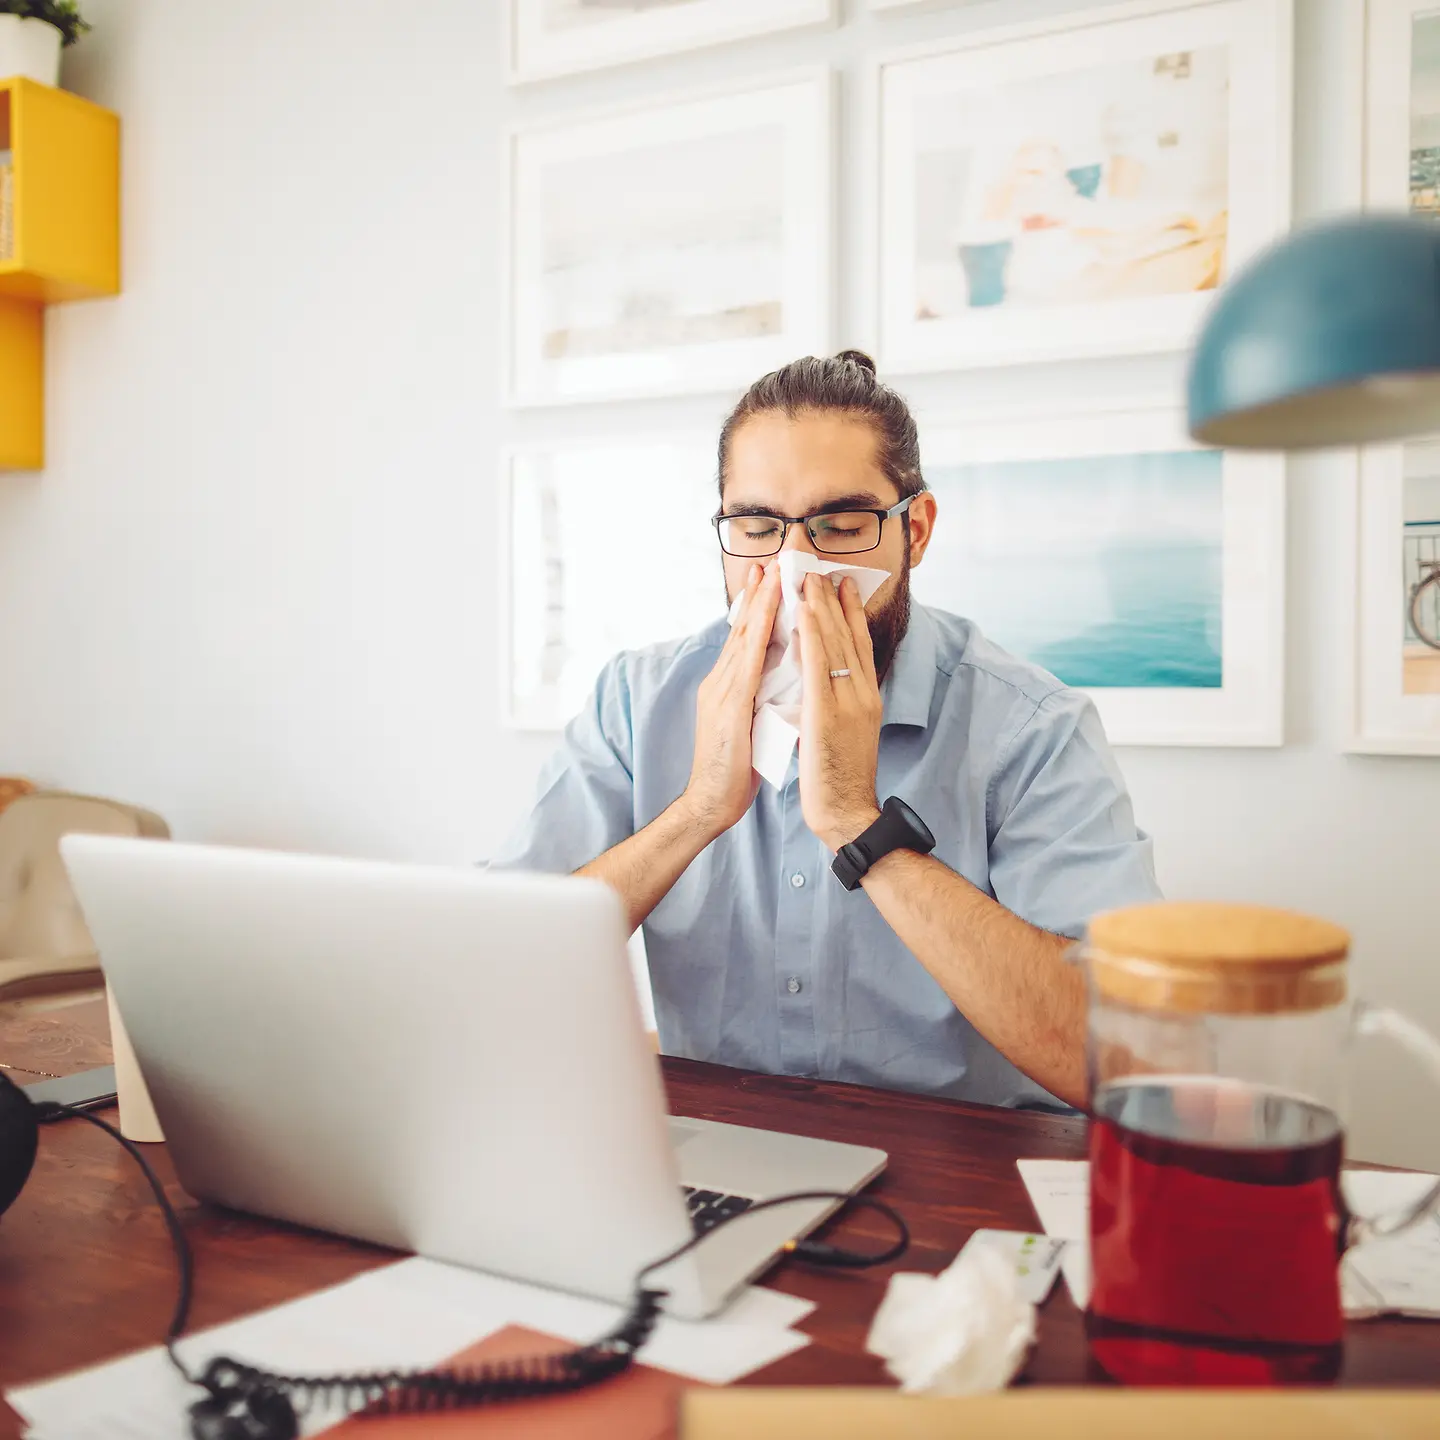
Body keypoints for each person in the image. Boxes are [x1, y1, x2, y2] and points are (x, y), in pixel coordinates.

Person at [494, 351, 1161, 1109]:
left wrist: (854, 818)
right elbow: (493, 971)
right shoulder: (635, 702)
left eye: (840, 527)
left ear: (916, 531)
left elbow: (1121, 1058)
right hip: (721, 1145)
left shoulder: (1030, 730)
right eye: (756, 525)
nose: (793, 570)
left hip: (958, 1167)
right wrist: (696, 813)